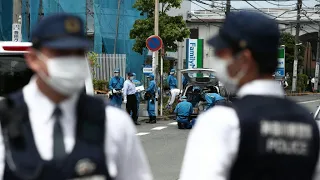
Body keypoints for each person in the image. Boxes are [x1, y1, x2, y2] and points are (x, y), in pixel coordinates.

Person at [0, 13, 152, 180]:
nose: (71, 60)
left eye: (78, 53)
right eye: (60, 53)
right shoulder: (4, 122)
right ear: (33, 59)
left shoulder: (113, 122)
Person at [180, 11, 320, 180]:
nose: (219, 61)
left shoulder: (222, 121)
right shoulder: (308, 124)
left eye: (223, 54)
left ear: (245, 58)